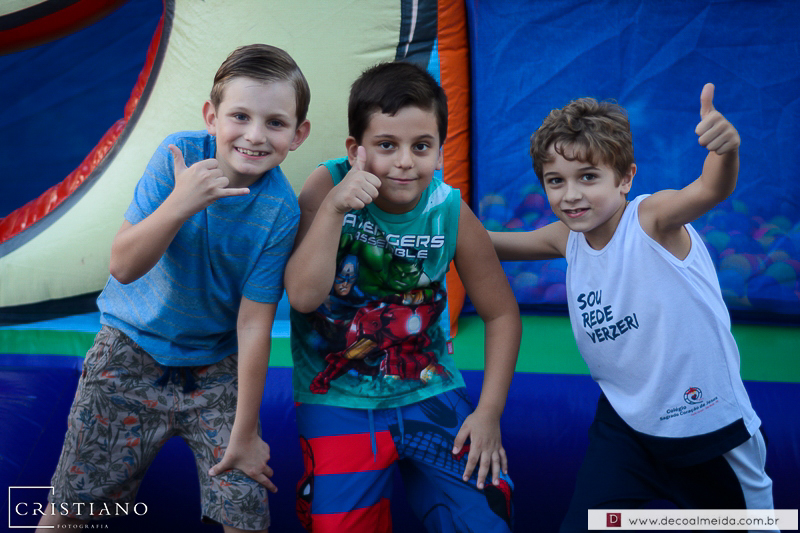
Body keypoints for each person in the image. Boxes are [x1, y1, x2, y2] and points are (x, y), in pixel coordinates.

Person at [37, 44, 311, 533]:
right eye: (240, 116)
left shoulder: (281, 210)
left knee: (245, 511)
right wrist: (180, 204)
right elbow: (123, 266)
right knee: (75, 506)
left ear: (298, 134)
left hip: (216, 365)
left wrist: (245, 433)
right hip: (130, 349)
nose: (254, 135)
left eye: (275, 123)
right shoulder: (176, 157)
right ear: (211, 117)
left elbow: (253, 324)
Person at [490, 85, 775, 532]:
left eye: (588, 177)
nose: (570, 195)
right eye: (555, 181)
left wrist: (725, 150)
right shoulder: (566, 239)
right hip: (626, 428)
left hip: (707, 428)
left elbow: (710, 188)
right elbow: (487, 244)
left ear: (625, 179)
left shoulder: (651, 220)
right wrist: (427, 217)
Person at [284, 61, 521, 533]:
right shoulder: (326, 186)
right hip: (339, 401)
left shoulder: (448, 209)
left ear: (440, 151)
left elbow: (501, 314)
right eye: (386, 145)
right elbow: (303, 297)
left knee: (487, 514)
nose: (405, 161)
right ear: (355, 150)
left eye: (421, 146)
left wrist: (489, 412)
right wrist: (334, 208)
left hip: (430, 391)